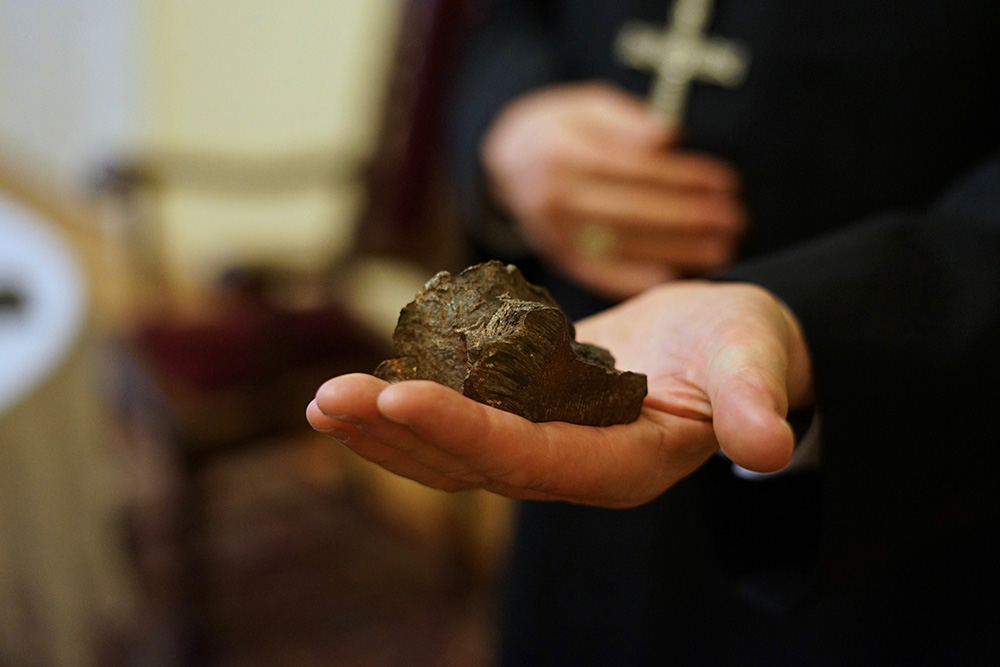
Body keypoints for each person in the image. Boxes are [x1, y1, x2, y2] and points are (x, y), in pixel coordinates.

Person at [311, 1, 1000, 663]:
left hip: (893, 435)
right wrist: (509, 126)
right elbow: (508, 19)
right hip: (569, 375)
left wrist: (825, 311)